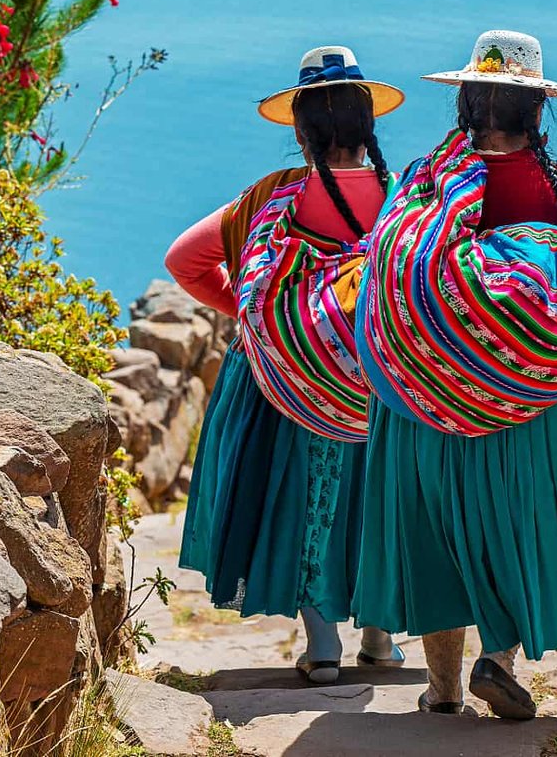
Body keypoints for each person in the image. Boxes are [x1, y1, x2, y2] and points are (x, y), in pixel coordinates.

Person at [351, 30, 557, 718]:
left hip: (427, 408)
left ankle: (440, 690)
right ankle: (497, 662)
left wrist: (401, 380)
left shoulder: (420, 184)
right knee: (528, 536)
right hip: (543, 408)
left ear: (466, 100)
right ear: (537, 110)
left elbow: (381, 284)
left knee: (441, 547)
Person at [169, 46, 406, 683]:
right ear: (368, 126)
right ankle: (380, 640)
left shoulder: (273, 201)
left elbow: (183, 262)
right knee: (376, 500)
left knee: (305, 498)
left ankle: (322, 646)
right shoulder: (405, 201)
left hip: (284, 381)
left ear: (299, 132)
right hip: (381, 381)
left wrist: (258, 315)